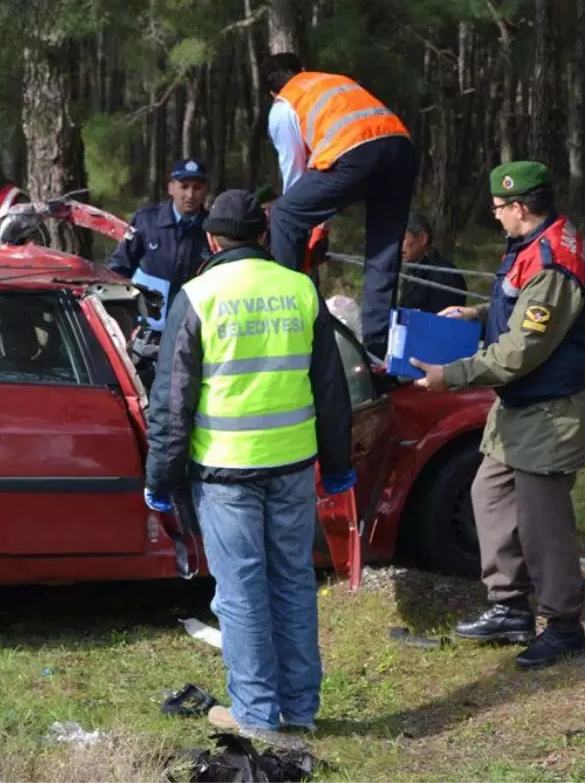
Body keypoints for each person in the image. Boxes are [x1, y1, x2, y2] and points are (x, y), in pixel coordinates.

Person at [144, 189, 354, 742]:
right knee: (292, 581)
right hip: (291, 467)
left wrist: (160, 479)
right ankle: (301, 708)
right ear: (263, 235)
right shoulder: (301, 289)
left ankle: (257, 716)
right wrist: (337, 466)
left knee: (239, 592)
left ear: (212, 239)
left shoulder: (198, 295)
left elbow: (172, 399)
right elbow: (330, 390)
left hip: (224, 471)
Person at [410, 161, 585, 670]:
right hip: (520, 408)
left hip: (550, 411)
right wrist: (474, 314)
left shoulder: (555, 261)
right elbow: (515, 306)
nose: (495, 217)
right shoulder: (534, 245)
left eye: (498, 209)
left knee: (543, 525)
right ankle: (509, 608)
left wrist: (449, 376)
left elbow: (520, 352)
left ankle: (563, 625)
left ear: (520, 207)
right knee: (487, 493)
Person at [263, 52, 416, 360]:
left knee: (284, 213)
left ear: (271, 92)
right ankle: (377, 353)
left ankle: (284, 318)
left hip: (354, 153)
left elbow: (295, 178)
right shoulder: (336, 82)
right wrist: (319, 222)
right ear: (303, 69)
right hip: (401, 148)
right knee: (383, 254)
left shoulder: (284, 105)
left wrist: (309, 229)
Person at [107, 159, 211, 334]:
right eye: (184, 187)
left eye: (197, 188)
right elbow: (119, 269)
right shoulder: (146, 221)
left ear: (206, 191)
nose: (191, 195)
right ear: (171, 188)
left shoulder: (212, 228)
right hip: (145, 330)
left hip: (193, 332)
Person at [398, 211, 469, 314]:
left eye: (403, 238)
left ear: (423, 238)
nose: (398, 245)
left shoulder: (444, 275)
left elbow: (444, 320)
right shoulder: (412, 271)